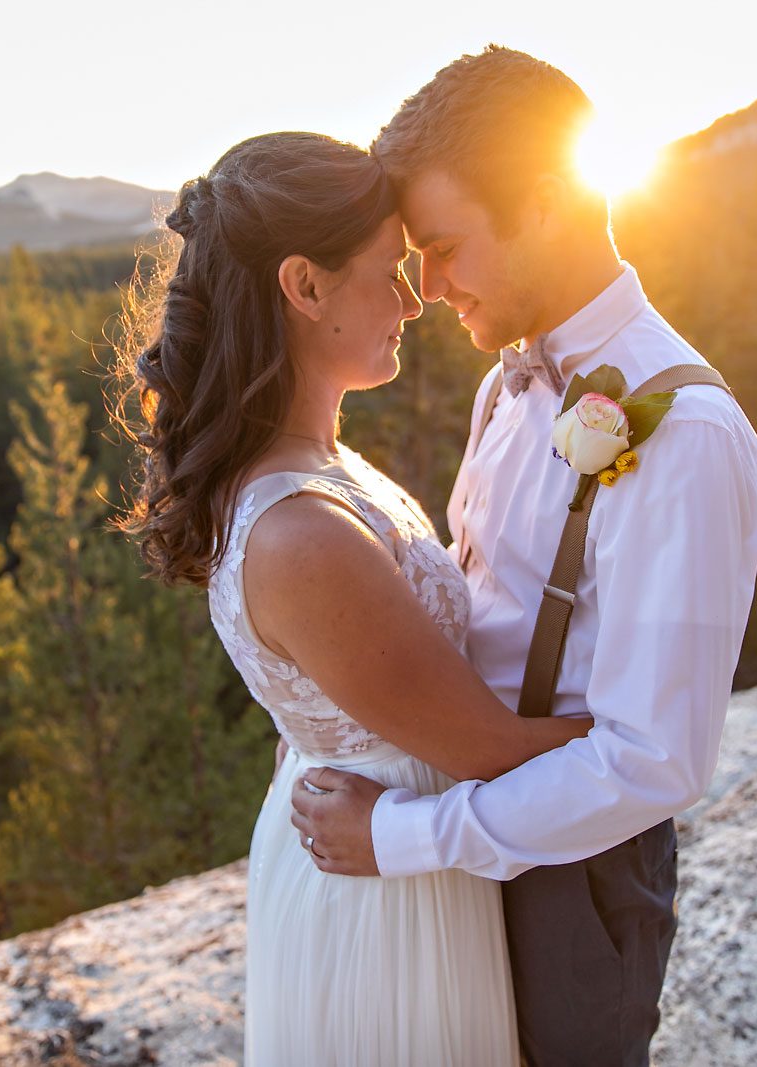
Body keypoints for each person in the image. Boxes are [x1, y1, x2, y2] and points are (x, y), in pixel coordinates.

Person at [290, 47, 757, 1067]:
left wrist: (404, 837)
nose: (425, 288)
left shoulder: (683, 435)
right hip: (459, 839)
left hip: (575, 883)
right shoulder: (505, 382)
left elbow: (652, 760)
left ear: (548, 202)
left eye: (446, 245)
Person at [115, 131, 593, 1065]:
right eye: (390, 271)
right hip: (384, 892)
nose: (416, 301)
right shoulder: (301, 533)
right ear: (305, 286)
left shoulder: (319, 468)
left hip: (401, 851)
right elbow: (488, 751)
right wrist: (654, 731)